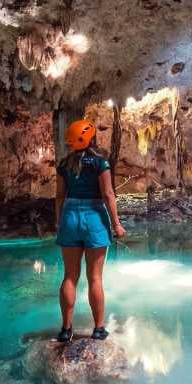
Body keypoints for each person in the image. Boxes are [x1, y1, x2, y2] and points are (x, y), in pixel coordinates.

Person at [54, 119, 126, 342]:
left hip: (70, 217)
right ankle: (98, 328)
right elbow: (108, 195)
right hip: (94, 217)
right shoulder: (100, 163)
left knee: (69, 276)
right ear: (91, 138)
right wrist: (116, 224)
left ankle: (66, 329)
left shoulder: (64, 165)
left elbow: (59, 196)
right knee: (95, 278)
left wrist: (60, 222)